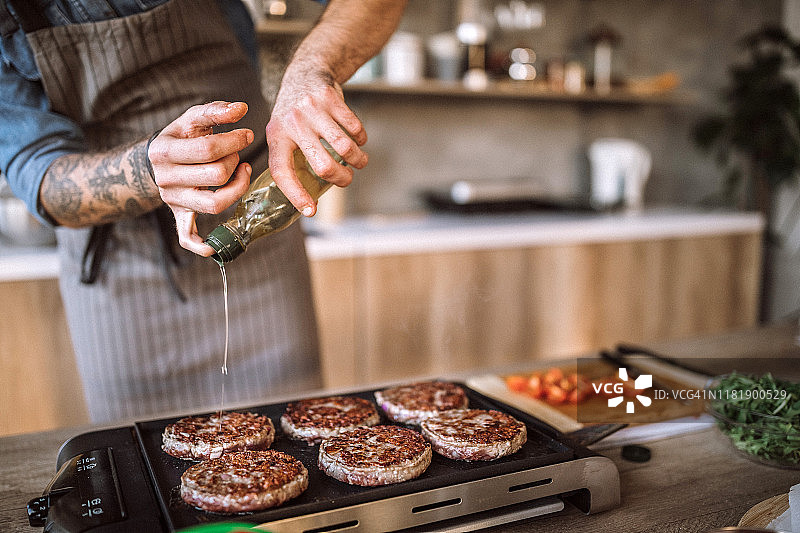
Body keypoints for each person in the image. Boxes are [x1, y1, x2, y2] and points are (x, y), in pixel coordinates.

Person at [0, 0, 407, 423]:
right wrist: (147, 170)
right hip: (121, 269)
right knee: (144, 457)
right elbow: (38, 174)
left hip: (259, 234)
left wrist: (312, 70)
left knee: (289, 434)